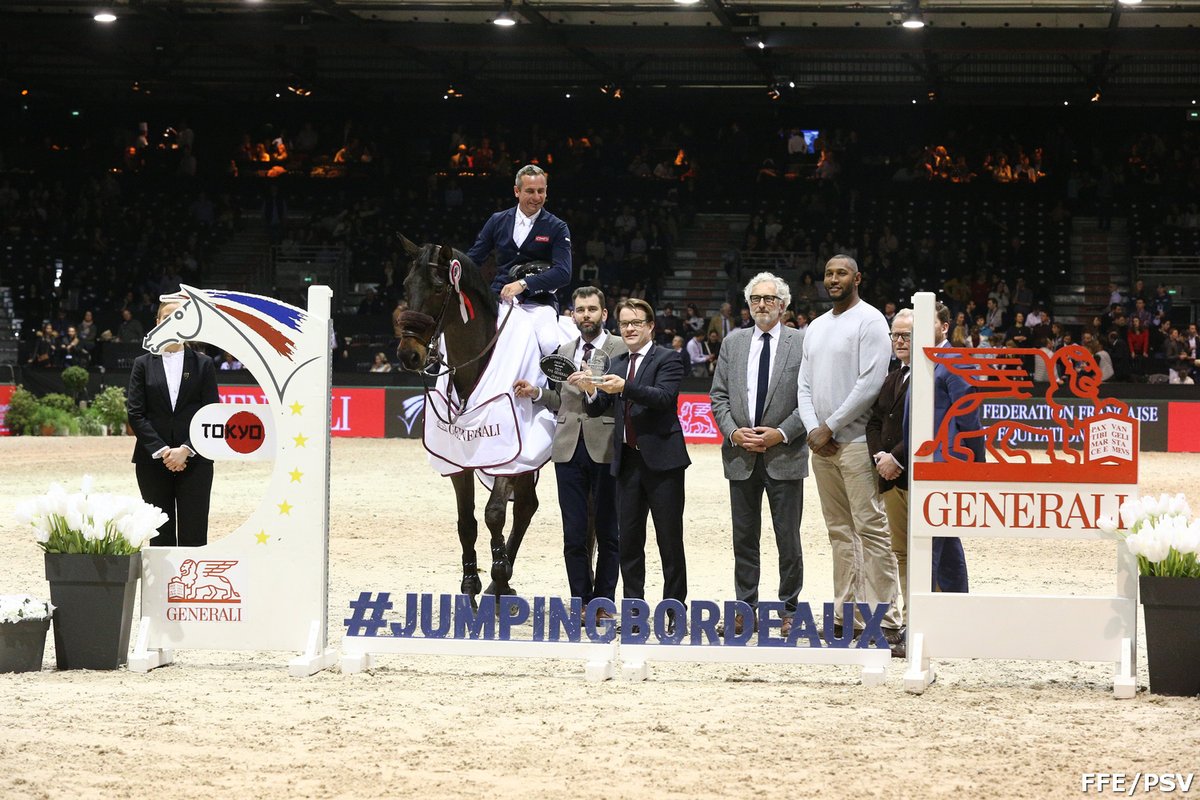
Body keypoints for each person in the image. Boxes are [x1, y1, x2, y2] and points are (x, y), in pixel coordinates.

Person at [797, 254, 904, 650]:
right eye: (828, 273)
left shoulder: (872, 320)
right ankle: (847, 617)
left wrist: (831, 426)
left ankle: (889, 620)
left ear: (857, 277)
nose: (833, 279)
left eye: (841, 272)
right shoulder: (816, 326)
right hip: (823, 445)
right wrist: (813, 428)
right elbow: (803, 384)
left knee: (871, 530)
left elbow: (871, 382)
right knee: (839, 533)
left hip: (857, 443)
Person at [514, 287, 627, 614]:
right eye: (580, 310)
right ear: (572, 315)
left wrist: (594, 389)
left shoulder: (620, 349)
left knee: (608, 531)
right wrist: (536, 392)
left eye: (592, 309)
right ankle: (581, 601)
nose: (586, 315)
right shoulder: (563, 350)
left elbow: (621, 397)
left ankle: (603, 602)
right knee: (574, 532)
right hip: (566, 449)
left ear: (604, 315)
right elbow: (560, 400)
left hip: (605, 447)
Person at [709, 272, 808, 638]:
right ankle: (744, 608)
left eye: (769, 299)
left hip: (785, 454)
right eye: (755, 299)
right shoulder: (733, 343)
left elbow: (809, 400)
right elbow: (717, 396)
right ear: (748, 304)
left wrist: (780, 433)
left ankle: (789, 609)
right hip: (741, 454)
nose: (762, 305)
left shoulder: (801, 343)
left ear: (783, 305)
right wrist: (734, 432)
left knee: (788, 539)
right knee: (744, 539)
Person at [582, 298, 690, 630]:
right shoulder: (614, 363)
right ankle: (634, 611)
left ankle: (674, 611)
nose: (629, 328)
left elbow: (663, 398)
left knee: (669, 541)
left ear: (650, 327)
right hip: (626, 462)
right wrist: (589, 390)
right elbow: (598, 407)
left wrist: (625, 388)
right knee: (629, 541)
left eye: (636, 322)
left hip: (663, 464)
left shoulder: (668, 358)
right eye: (624, 323)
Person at [126, 300, 221, 547]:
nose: (171, 322)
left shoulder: (204, 364)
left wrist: (186, 449)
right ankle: (163, 587)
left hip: (196, 460)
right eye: (166, 317)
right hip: (152, 461)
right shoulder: (142, 364)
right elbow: (135, 413)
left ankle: (192, 585)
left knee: (194, 533)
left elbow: (211, 411)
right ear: (157, 323)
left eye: (178, 317)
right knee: (160, 535)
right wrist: (163, 451)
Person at [467, 164, 572, 356]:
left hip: (539, 301)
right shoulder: (497, 220)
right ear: (517, 191)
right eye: (530, 191)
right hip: (498, 299)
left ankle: (552, 386)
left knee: (549, 343)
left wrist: (524, 284)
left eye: (541, 191)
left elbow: (563, 273)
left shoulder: (557, 227)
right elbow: (473, 259)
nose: (536, 197)